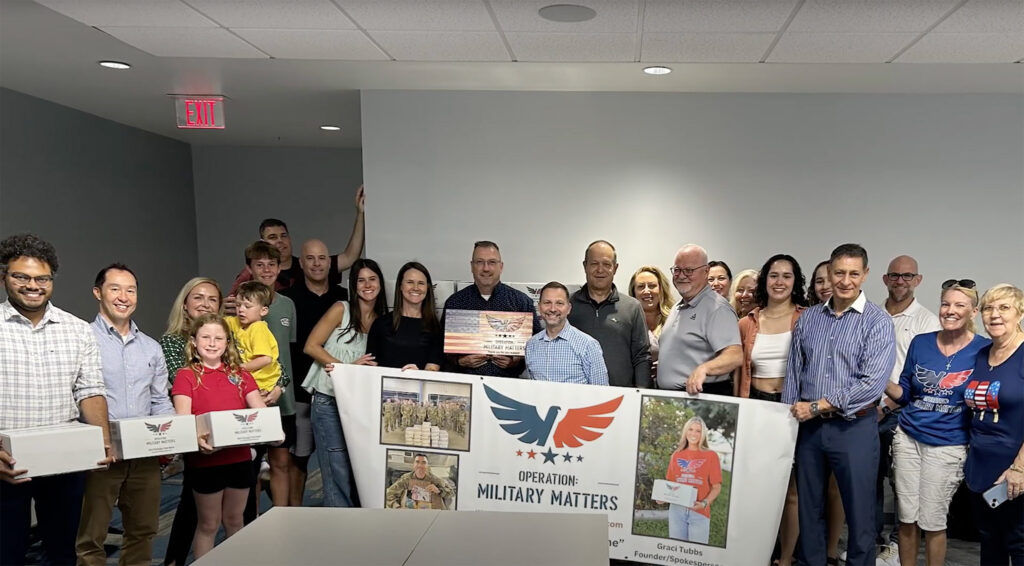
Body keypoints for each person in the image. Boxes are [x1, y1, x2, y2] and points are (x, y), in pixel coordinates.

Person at [0, 234, 113, 566]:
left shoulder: (77, 330)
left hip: (64, 459)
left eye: (42, 278)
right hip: (5, 463)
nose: (33, 285)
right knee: (6, 552)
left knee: (64, 552)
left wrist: (103, 440)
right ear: (4, 276)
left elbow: (90, 390)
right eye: (21, 276)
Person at [783, 243, 896, 566]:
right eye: (839, 273)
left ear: (865, 275)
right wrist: (789, 420)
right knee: (809, 509)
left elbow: (871, 384)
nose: (846, 281)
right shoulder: (809, 319)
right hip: (810, 430)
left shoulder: (877, 322)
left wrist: (819, 405)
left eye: (854, 273)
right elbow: (794, 372)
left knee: (860, 512)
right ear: (829, 273)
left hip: (854, 427)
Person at [882, 280, 988, 566]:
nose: (950, 310)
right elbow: (905, 393)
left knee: (933, 521)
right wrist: (880, 380)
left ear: (973, 312)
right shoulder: (921, 342)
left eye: (959, 305)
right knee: (906, 518)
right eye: (945, 304)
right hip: (908, 438)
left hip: (948, 444)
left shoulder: (983, 349)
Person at [76, 264, 174, 566]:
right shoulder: (81, 340)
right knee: (90, 537)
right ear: (98, 293)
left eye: (130, 290)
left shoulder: (151, 348)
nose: (124, 297)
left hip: (144, 456)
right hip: (99, 456)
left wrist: (171, 437)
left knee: (143, 531)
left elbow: (160, 400)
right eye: (115, 288)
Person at [171, 314, 268, 560]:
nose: (212, 343)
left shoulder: (241, 375)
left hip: (240, 458)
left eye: (219, 338)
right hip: (206, 461)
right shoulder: (186, 375)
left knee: (235, 520)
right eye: (205, 337)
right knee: (209, 524)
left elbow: (261, 413)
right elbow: (183, 420)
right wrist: (196, 439)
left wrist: (273, 431)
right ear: (194, 341)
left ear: (227, 342)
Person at [734, 254, 806, 566]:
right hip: (756, 406)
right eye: (774, 275)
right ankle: (754, 553)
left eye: (786, 276)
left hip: (792, 409)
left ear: (795, 282)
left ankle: (786, 558)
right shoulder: (747, 322)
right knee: (755, 487)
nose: (779, 282)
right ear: (765, 280)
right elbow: (739, 371)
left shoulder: (807, 319)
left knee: (791, 490)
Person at [303, 258, 388, 507]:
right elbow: (311, 346)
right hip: (329, 398)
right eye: (361, 280)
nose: (367, 285)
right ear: (354, 285)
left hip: (359, 404)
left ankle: (355, 521)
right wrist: (346, 369)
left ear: (381, 283)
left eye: (372, 279)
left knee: (358, 468)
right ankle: (339, 523)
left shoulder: (383, 319)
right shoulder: (341, 309)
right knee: (335, 467)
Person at [876, 255, 942, 564]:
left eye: (907, 276)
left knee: (902, 484)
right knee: (869, 480)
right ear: (885, 279)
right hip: (865, 410)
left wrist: (888, 404)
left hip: (902, 411)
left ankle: (895, 546)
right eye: (894, 275)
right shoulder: (871, 314)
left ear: (918, 280)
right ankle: (874, 542)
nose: (900, 281)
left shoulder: (927, 322)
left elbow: (925, 375)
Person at [281, 239, 353, 504]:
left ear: (330, 263)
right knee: (299, 457)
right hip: (301, 390)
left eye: (322, 258)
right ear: (301, 263)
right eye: (310, 258)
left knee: (338, 455)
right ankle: (295, 512)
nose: (316, 264)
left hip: (335, 391)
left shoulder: (344, 297)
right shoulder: (289, 300)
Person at [161, 277, 223, 566]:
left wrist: (277, 386)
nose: (205, 304)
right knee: (192, 502)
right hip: (197, 428)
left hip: (233, 427)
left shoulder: (226, 336)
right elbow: (184, 381)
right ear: (185, 304)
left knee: (238, 504)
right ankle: (174, 560)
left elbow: (272, 367)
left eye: (212, 299)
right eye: (198, 297)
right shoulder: (173, 341)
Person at [965, 284, 1024, 566]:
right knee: (990, 543)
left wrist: (1019, 468)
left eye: (1004, 308)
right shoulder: (981, 354)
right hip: (980, 468)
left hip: (1015, 471)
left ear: (1019, 313)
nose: (995, 314)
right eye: (988, 308)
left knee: (1020, 543)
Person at [238, 241, 298, 515]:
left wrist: (280, 387)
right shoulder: (238, 306)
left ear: (279, 267)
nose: (266, 270)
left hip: (281, 398)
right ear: (249, 268)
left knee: (281, 462)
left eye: (271, 264)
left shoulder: (287, 305)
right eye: (259, 265)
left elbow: (286, 352)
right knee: (250, 465)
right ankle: (250, 522)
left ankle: (281, 519)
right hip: (247, 398)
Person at [226, 186, 365, 299]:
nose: (280, 241)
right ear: (263, 242)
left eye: (283, 236)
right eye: (273, 237)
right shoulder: (251, 273)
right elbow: (231, 303)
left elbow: (349, 257)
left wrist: (360, 214)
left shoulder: (308, 265)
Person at [442, 241, 541, 377]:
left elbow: (538, 346)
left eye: (492, 262)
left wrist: (516, 361)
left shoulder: (521, 303)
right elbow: (440, 347)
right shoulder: (455, 303)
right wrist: (459, 361)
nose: (486, 268)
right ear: (472, 266)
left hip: (507, 384)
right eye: (480, 262)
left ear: (501, 266)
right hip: (466, 383)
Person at [658, 244, 742, 396]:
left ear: (706, 271)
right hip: (673, 398)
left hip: (699, 397)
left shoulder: (717, 309)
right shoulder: (677, 307)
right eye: (677, 270)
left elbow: (734, 356)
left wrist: (704, 369)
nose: (681, 275)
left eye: (689, 270)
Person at [568, 240, 651, 388]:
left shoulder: (632, 307)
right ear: (585, 266)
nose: (600, 270)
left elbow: (642, 356)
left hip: (620, 396)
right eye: (594, 263)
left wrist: (641, 392)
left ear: (615, 268)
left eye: (606, 264)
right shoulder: (568, 306)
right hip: (576, 394)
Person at [525, 282, 609, 385]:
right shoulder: (531, 345)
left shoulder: (588, 345)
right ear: (539, 307)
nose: (552, 309)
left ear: (569, 308)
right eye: (547, 302)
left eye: (559, 303)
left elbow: (601, 390)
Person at [366, 261, 444, 371]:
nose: (415, 287)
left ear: (428, 288)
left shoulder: (435, 328)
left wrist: (419, 374)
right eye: (410, 282)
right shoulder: (380, 324)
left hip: (417, 382)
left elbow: (433, 368)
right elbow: (370, 367)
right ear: (400, 286)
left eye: (421, 283)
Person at [660, 416, 722, 545]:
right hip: (677, 511)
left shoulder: (711, 456)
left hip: (699, 512)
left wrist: (704, 503)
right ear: (685, 431)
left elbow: (716, 487)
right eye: (690, 429)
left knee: (696, 551)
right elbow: (671, 485)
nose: (693, 434)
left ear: (703, 434)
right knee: (677, 550)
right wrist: (663, 497)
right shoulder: (676, 455)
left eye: (698, 431)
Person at [629, 266, 675, 384]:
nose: (646, 291)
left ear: (661, 289)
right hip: (636, 386)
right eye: (641, 286)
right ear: (634, 292)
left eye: (652, 286)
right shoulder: (627, 322)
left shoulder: (676, 319)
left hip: (672, 387)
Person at [385, 454, 454, 510]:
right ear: (413, 465)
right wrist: (398, 508)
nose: (420, 465)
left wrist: (438, 490)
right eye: (417, 462)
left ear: (427, 466)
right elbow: (389, 494)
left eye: (423, 462)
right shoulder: (406, 479)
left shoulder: (435, 479)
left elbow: (451, 493)